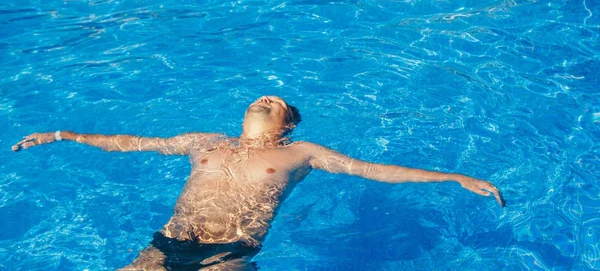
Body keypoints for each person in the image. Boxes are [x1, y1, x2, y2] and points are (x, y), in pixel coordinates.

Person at [13, 95, 504, 270]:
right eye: (261, 95)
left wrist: (452, 175)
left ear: (288, 123)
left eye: (276, 100)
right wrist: (64, 134)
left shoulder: (301, 153)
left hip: (229, 253)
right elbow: (133, 142)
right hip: (166, 244)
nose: (266, 95)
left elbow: (372, 169)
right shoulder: (203, 140)